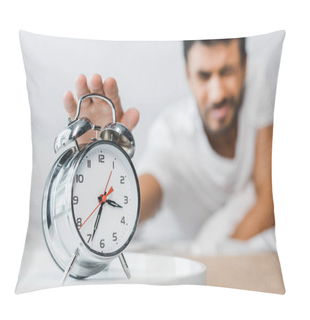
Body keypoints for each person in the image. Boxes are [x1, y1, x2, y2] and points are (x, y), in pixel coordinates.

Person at [63, 37, 276, 255]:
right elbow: (136, 199)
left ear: (244, 66)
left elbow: (270, 199)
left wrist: (225, 255)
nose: (217, 94)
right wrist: (98, 163)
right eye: (204, 76)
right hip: (185, 249)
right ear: (188, 74)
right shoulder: (171, 136)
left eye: (227, 71)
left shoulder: (257, 84)